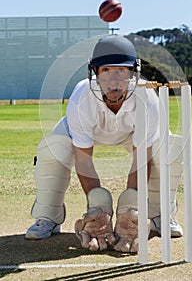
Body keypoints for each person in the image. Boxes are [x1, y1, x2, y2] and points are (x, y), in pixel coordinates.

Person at [25, 35, 183, 253]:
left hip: (131, 134)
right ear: (95, 73)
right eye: (106, 71)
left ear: (133, 73)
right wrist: (98, 208)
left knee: (168, 149)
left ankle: (158, 215)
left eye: (121, 71)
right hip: (90, 131)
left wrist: (131, 207)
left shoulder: (148, 98)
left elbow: (141, 160)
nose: (114, 80)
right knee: (53, 150)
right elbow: (84, 160)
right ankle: (48, 216)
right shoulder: (82, 96)